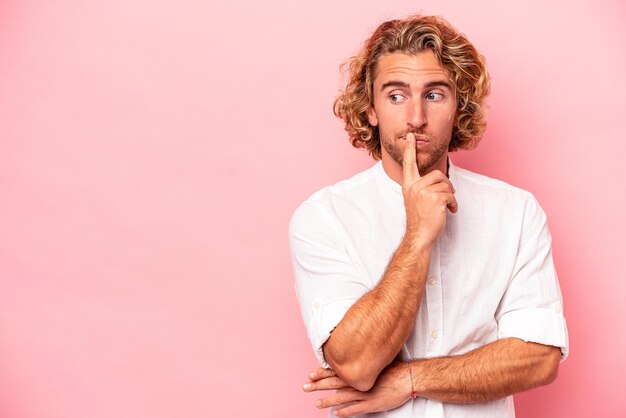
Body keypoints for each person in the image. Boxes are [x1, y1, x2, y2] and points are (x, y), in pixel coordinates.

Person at [289, 15, 568, 418]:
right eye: (396, 95)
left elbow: (539, 356)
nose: (416, 118)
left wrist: (409, 379)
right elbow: (357, 364)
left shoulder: (516, 211)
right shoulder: (323, 217)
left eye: (434, 94)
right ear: (370, 109)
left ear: (459, 106)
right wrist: (417, 235)